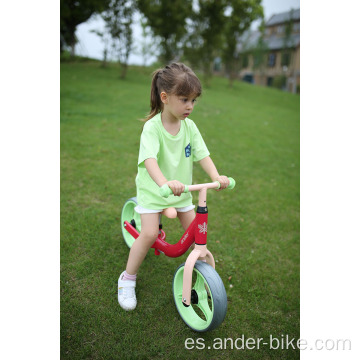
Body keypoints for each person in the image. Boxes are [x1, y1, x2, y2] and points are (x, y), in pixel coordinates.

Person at [118, 63, 229, 311]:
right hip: (155, 191)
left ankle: (201, 278)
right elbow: (149, 161)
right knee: (148, 234)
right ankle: (127, 278)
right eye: (184, 99)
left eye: (193, 100)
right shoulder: (153, 128)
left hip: (182, 193)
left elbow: (203, 155)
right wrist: (164, 183)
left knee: (196, 233)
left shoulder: (190, 127)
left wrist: (216, 175)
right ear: (165, 98)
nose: (190, 106)